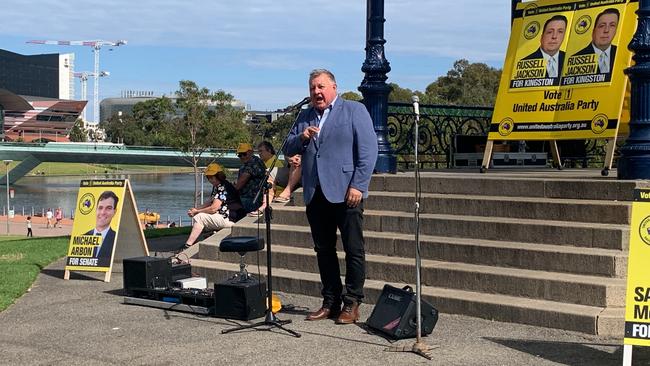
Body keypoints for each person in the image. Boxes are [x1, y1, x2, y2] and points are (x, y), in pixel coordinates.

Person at [284, 69, 378, 324]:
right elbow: (287, 147)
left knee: (353, 249)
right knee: (323, 250)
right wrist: (301, 137)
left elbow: (368, 152)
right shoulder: (305, 116)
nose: (316, 92)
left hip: (347, 191)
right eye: (312, 87)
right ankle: (330, 301)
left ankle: (353, 302)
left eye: (321, 86)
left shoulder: (354, 111)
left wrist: (358, 185)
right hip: (315, 192)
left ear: (334, 87)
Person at [185, 163, 245, 248]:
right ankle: (206, 236)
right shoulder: (218, 186)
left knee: (200, 217)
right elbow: (210, 202)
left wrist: (197, 212)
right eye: (208, 177)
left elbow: (213, 208)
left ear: (218, 176)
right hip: (226, 216)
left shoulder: (222, 187)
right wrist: (195, 209)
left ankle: (188, 245)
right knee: (200, 216)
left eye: (212, 177)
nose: (210, 180)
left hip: (231, 219)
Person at [572, 8, 619, 74]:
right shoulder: (576, 58)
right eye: (602, 26)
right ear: (593, 31)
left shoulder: (620, 53)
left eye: (612, 25)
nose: (606, 30)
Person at [84, 191, 119, 267]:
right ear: (96, 210)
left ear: (114, 212)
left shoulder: (117, 239)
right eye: (100, 208)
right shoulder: (83, 237)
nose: (103, 212)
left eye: (108, 208)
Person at [234, 142, 266, 215]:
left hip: (252, 200)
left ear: (251, 152)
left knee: (226, 204)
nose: (242, 157)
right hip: (247, 199)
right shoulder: (250, 162)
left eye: (244, 154)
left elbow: (239, 185)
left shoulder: (253, 164)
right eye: (240, 155)